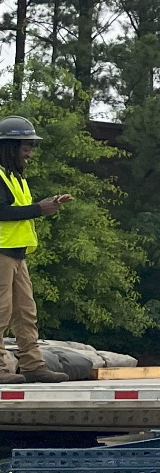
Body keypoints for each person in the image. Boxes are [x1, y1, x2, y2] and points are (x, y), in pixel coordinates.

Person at [0, 115, 73, 384]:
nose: (29, 151)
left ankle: (32, 364)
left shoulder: (15, 178)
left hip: (16, 253)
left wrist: (47, 206)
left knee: (25, 312)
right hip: (2, 252)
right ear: (9, 147)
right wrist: (39, 209)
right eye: (25, 146)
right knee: (1, 312)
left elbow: (19, 212)